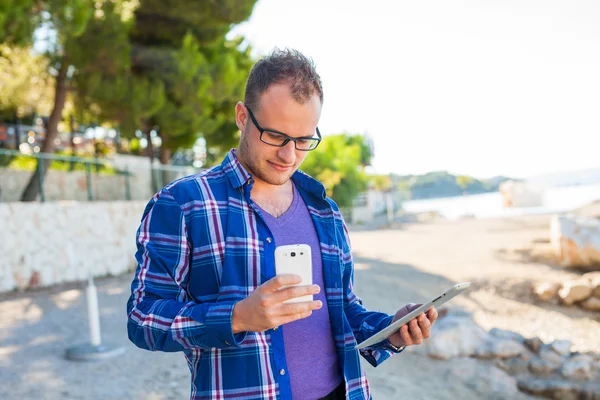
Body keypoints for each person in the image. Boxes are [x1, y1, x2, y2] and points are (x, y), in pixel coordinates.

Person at [126, 48, 438, 400]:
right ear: (243, 117)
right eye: (275, 136)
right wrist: (237, 317)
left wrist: (390, 331)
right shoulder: (182, 204)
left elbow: (343, 310)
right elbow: (142, 319)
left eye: (304, 140)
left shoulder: (326, 211)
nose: (289, 155)